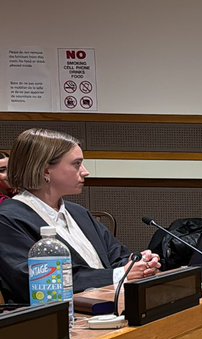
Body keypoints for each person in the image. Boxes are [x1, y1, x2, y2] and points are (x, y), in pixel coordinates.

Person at [0, 128, 160, 303]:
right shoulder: (8, 219)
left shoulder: (79, 213)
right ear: (46, 170)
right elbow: (37, 281)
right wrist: (119, 274)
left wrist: (139, 262)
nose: (85, 171)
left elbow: (117, 257)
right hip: (53, 321)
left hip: (106, 309)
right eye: (77, 164)